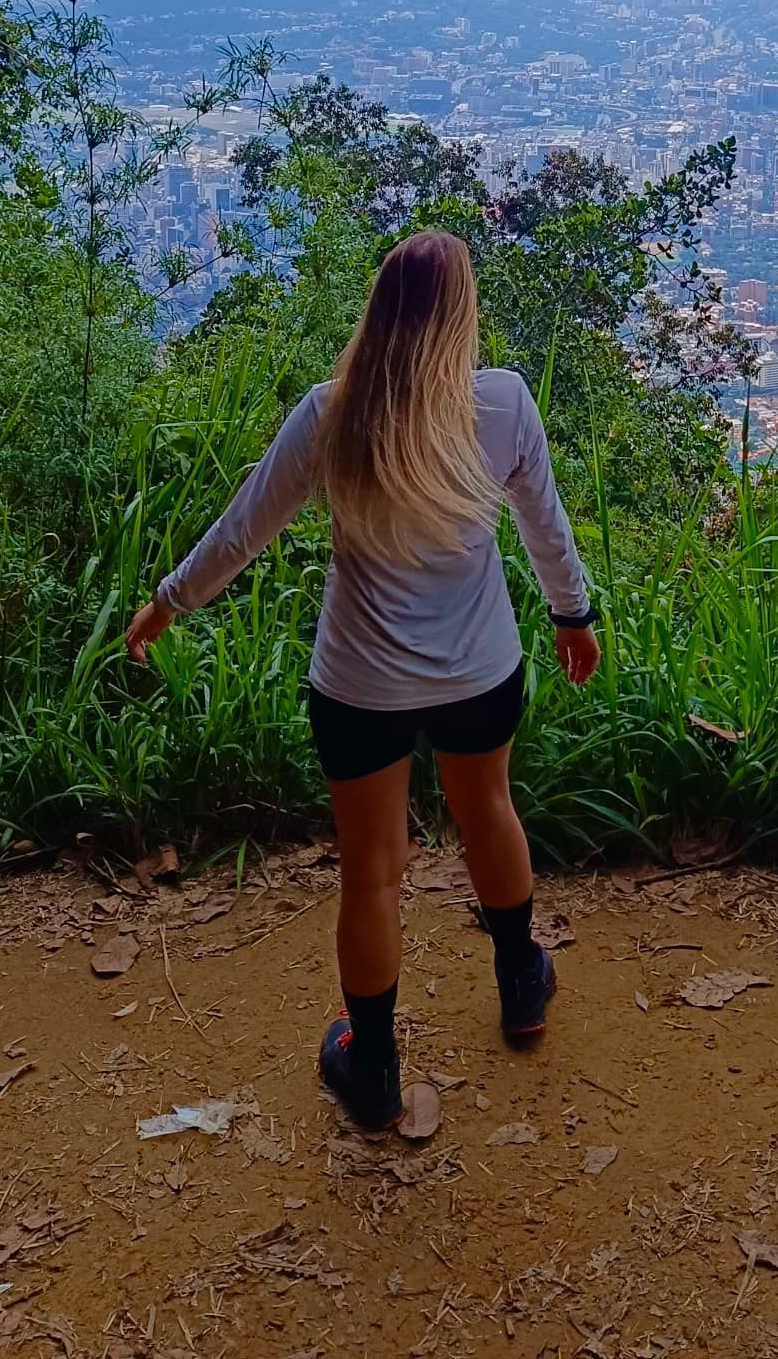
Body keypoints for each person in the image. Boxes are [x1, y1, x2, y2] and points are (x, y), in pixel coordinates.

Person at [123, 229, 601, 1130]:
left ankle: (373, 1066)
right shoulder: (501, 404)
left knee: (373, 873)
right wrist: (571, 616)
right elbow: (546, 529)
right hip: (479, 671)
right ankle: (521, 983)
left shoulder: (330, 412)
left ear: (379, 308)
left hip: (360, 687)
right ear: (463, 316)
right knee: (488, 810)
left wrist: (166, 604)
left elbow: (242, 531)